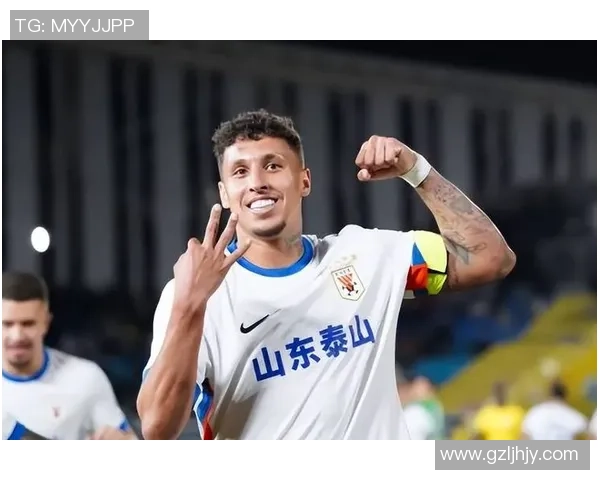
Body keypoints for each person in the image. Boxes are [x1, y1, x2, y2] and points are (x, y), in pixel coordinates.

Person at [137, 109, 516, 440]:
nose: (257, 182)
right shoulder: (194, 294)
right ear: (224, 193)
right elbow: (157, 427)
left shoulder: (367, 255)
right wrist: (190, 305)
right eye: (240, 171)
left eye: (273, 165)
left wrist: (416, 171)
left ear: (305, 180)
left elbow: (490, 258)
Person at [2, 272, 136, 440]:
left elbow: (128, 442)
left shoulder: (85, 377)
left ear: (46, 323)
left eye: (28, 324)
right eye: (7, 324)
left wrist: (122, 442)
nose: (17, 336)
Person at [521, 380, 589, 440]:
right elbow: (585, 434)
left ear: (549, 394)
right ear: (565, 396)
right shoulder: (573, 415)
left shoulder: (534, 413)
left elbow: (524, 437)